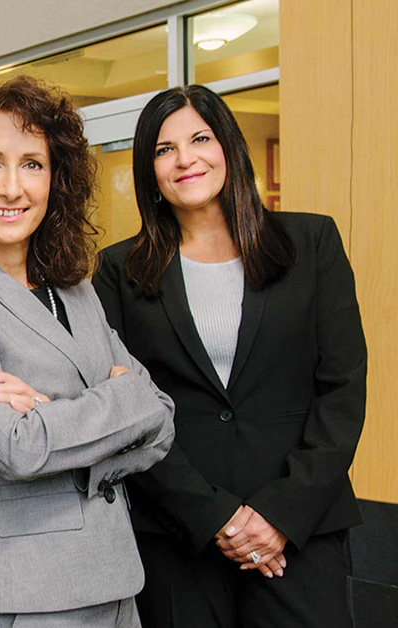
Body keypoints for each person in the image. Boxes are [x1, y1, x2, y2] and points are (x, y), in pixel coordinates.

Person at [93, 84, 367, 628]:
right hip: (178, 534)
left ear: (229, 147)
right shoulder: (118, 271)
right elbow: (125, 411)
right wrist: (215, 517)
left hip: (300, 533)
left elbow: (342, 389)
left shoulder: (311, 243)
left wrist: (280, 514)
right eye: (163, 149)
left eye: (200, 138)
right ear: (150, 169)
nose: (185, 158)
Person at [0, 77, 175, 628]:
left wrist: (51, 410)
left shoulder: (75, 288)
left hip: (118, 580)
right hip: (25, 590)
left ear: (57, 179)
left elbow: (163, 420)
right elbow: (18, 448)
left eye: (32, 164)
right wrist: (122, 397)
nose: (12, 188)